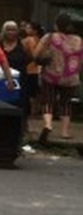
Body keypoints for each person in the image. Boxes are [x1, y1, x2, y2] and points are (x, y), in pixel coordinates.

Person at [33, 12, 82, 142]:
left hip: (51, 75)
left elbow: (36, 54)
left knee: (48, 100)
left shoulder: (49, 37)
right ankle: (65, 131)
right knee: (66, 103)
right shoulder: (78, 40)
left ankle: (48, 125)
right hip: (70, 77)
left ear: (56, 25)